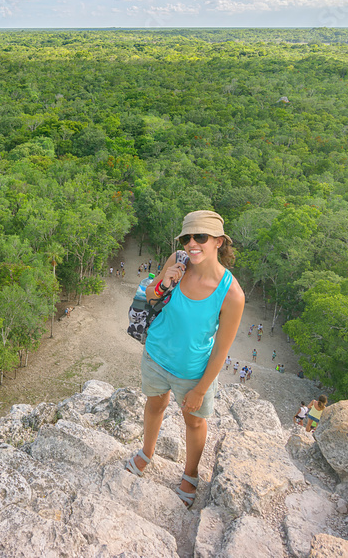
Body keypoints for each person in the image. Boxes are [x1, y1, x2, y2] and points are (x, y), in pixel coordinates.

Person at [125, 210, 245, 510]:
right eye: (187, 237)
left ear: (218, 241)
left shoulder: (231, 294)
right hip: (155, 355)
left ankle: (190, 474)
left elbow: (221, 350)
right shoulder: (178, 260)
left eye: (200, 237)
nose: (192, 244)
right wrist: (164, 281)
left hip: (192, 371)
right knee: (155, 404)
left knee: (194, 423)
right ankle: (147, 452)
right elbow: (151, 297)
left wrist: (201, 389)